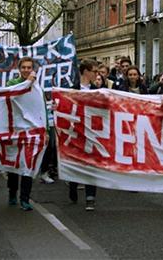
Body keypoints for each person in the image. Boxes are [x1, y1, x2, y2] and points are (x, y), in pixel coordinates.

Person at [5, 57, 39, 211]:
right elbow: (12, 95)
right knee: (14, 164)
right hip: (15, 130)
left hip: (32, 131)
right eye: (23, 67)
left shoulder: (37, 87)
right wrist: (27, 83)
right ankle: (12, 192)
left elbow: (40, 107)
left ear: (33, 69)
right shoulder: (12, 84)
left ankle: (25, 198)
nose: (26, 70)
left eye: (29, 67)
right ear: (19, 69)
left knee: (29, 165)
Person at [69, 59, 98, 211]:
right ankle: (72, 185)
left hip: (92, 132)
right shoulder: (71, 90)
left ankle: (90, 197)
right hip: (76, 131)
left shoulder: (97, 91)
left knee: (91, 163)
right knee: (76, 162)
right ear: (85, 71)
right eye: (94, 71)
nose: (96, 74)